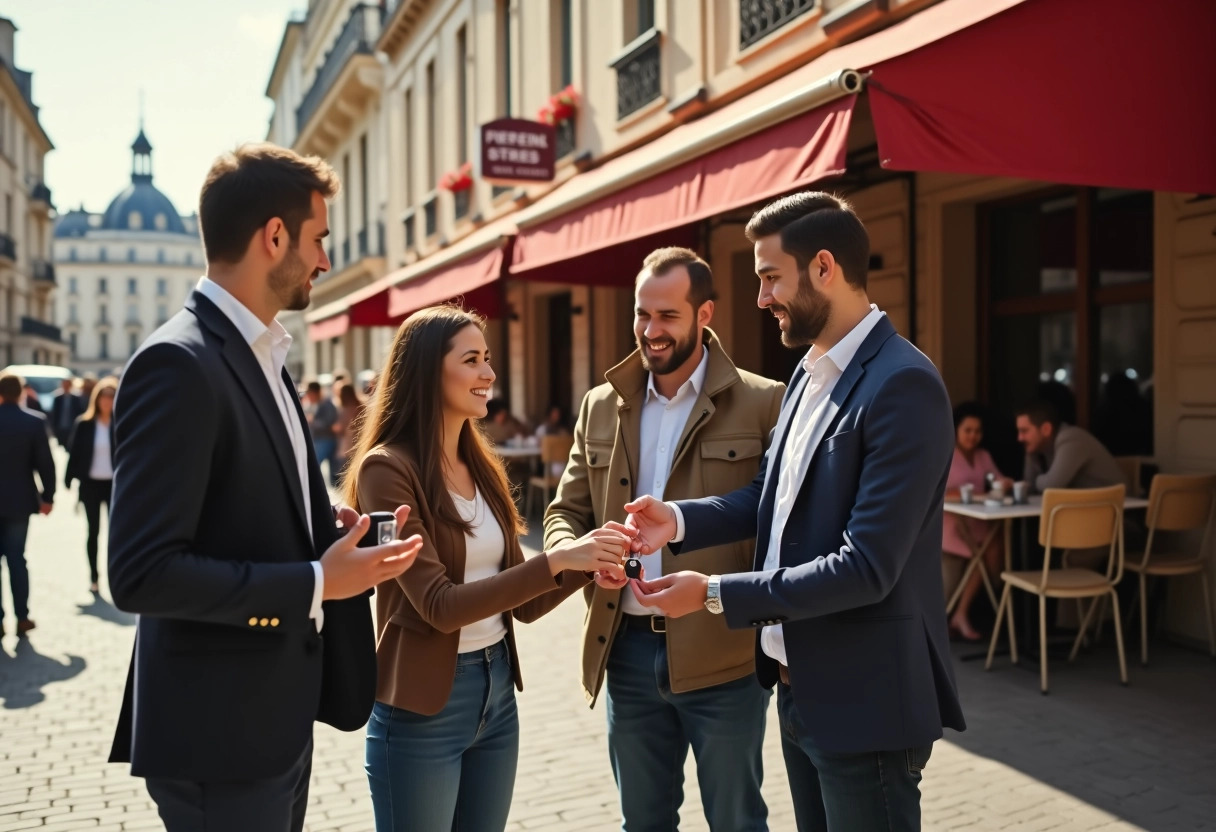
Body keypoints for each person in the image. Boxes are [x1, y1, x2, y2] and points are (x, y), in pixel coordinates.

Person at [623, 192, 965, 832]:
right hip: (796, 682)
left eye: (769, 277)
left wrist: (715, 593)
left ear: (824, 268)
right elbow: (770, 500)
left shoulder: (903, 383)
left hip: (866, 698)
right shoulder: (809, 373)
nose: (761, 298)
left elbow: (865, 567)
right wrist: (679, 518)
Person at [106, 143, 423, 832]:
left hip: (271, 722)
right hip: (218, 739)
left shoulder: (267, 356)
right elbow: (141, 574)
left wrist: (324, 527)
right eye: (319, 239)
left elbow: (239, 509)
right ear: (273, 236)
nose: (326, 260)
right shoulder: (176, 364)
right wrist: (316, 582)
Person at [346, 304, 630, 832]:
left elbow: (520, 602)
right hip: (423, 705)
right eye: (472, 360)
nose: (489, 374)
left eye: (488, 358)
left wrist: (586, 562)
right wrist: (558, 558)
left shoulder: (481, 464)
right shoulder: (385, 469)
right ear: (430, 372)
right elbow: (439, 606)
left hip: (497, 692)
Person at [545, 247, 785, 831]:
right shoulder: (599, 406)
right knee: (643, 824)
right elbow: (563, 512)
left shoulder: (764, 401)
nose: (650, 331)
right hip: (623, 650)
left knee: (738, 821)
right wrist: (580, 557)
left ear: (705, 314)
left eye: (668, 316)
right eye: (641, 314)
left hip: (723, 654)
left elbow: (775, 521)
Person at [943, 402, 1011, 642]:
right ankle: (997, 595)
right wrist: (965, 493)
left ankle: (999, 598)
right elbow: (937, 490)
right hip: (952, 525)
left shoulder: (983, 456)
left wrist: (1005, 484)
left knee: (996, 541)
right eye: (968, 430)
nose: (973, 436)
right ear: (957, 430)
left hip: (978, 521)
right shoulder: (946, 453)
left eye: (977, 431)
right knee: (984, 552)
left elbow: (997, 479)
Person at [0, 371, 55, 638]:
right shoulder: (33, 422)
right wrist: (49, 496)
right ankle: (22, 617)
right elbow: (45, 463)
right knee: (17, 559)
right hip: (20, 501)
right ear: (21, 393)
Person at [65, 376, 119, 593]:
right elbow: (74, 453)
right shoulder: (85, 424)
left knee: (116, 534)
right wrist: (68, 479)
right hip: (90, 484)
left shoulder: (122, 424)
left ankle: (116, 576)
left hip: (115, 486)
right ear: (96, 399)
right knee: (93, 531)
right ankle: (94, 578)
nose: (106, 401)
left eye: (111, 397)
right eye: (103, 397)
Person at [1016, 400, 1124, 493]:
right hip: (1086, 508)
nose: (1020, 438)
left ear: (1046, 429)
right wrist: (1031, 453)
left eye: (1024, 431)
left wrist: (1035, 480)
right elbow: (1029, 489)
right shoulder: (1040, 448)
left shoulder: (1071, 439)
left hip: (1118, 509)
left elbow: (1052, 485)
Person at [302, 380, 339, 485]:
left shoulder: (327, 404)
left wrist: (312, 421)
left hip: (326, 439)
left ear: (315, 392)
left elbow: (329, 422)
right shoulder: (313, 405)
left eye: (310, 394)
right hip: (318, 439)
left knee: (314, 466)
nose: (308, 397)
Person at [332, 379, 364, 483]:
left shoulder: (345, 410)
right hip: (360, 444)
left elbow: (339, 428)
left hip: (348, 446)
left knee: (346, 476)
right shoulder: (361, 406)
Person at [50, 377, 86, 447]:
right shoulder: (58, 398)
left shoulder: (76, 398)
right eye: (64, 384)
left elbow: (79, 412)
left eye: (68, 384)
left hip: (72, 426)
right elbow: (54, 414)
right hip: (60, 426)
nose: (66, 386)